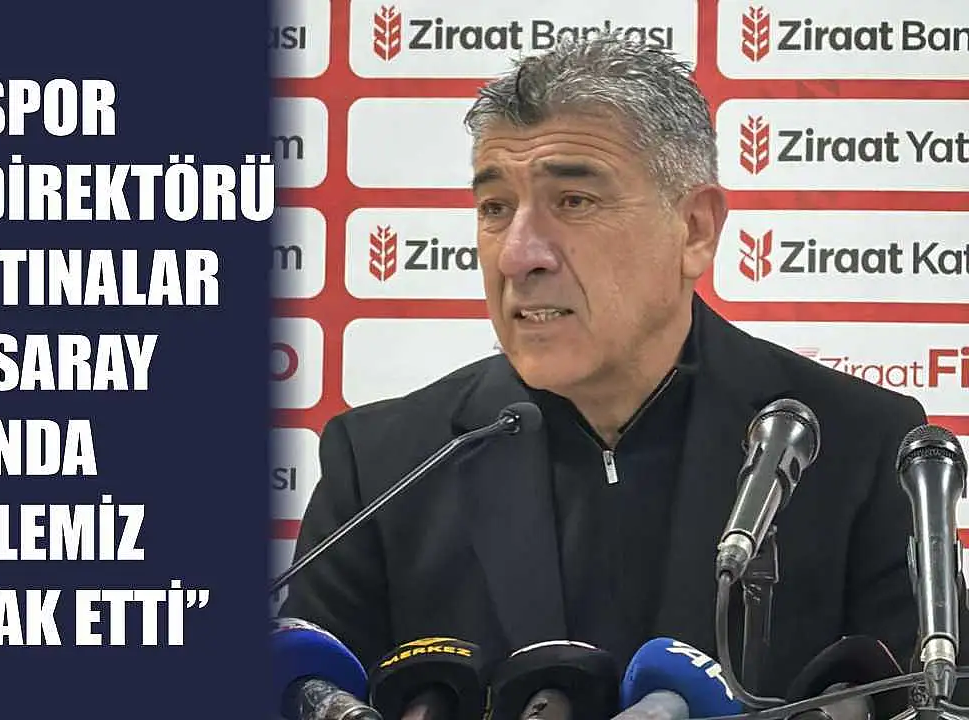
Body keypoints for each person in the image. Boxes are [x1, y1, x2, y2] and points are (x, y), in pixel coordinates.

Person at [279, 32, 969, 708]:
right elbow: (303, 694)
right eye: (495, 208)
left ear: (695, 229)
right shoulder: (385, 466)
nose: (518, 254)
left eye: (573, 202)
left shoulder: (859, 446)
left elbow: (924, 695)